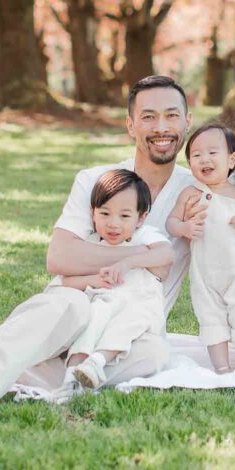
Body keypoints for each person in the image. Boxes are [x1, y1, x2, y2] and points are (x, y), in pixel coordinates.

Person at [0, 75, 194, 427]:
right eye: (148, 116)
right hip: (76, 305)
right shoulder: (96, 179)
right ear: (130, 125)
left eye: (171, 115)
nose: (161, 127)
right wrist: (140, 260)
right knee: (69, 306)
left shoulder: (197, 191)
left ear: (187, 121)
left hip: (129, 331)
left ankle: (29, 374)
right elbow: (59, 259)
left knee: (154, 354)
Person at [57, 168, 173, 391]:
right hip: (104, 304)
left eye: (124, 216)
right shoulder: (91, 244)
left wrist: (127, 262)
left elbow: (166, 255)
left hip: (139, 308)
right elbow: (65, 281)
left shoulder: (143, 235)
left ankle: (97, 362)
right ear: (93, 213)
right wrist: (94, 279)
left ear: (141, 218)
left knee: (132, 321)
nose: (113, 224)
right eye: (105, 213)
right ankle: (72, 375)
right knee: (94, 317)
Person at [166, 121, 235, 373]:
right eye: (196, 155)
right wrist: (185, 228)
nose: (204, 160)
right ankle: (221, 367)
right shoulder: (192, 193)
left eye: (212, 153)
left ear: (232, 159)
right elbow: (171, 222)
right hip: (205, 275)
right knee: (211, 317)